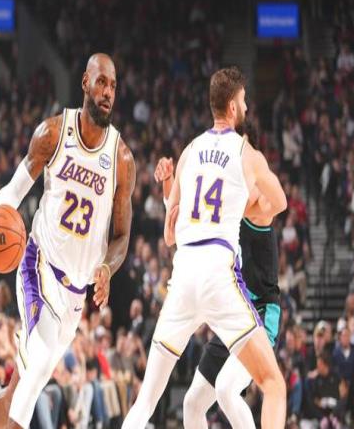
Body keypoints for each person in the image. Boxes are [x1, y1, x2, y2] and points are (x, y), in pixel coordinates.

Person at [0, 53, 135, 429]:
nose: (107, 92)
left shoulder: (121, 160)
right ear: (85, 83)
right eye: (101, 82)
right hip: (40, 267)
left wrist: (107, 268)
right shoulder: (53, 133)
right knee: (38, 365)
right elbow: (15, 189)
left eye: (113, 86)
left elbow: (121, 235)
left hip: (76, 294)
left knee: (23, 388)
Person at [122, 67, 287, 429]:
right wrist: (239, 199)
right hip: (219, 280)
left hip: (184, 278)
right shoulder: (247, 155)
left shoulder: (189, 151)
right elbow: (280, 201)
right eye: (244, 100)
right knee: (273, 385)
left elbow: (169, 235)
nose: (246, 106)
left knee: (146, 400)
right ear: (233, 106)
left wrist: (168, 187)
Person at [153, 121, 282, 429]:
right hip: (231, 315)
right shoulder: (222, 207)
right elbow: (183, 222)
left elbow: (275, 200)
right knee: (192, 404)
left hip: (259, 314)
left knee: (226, 389)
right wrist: (169, 184)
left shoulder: (259, 207)